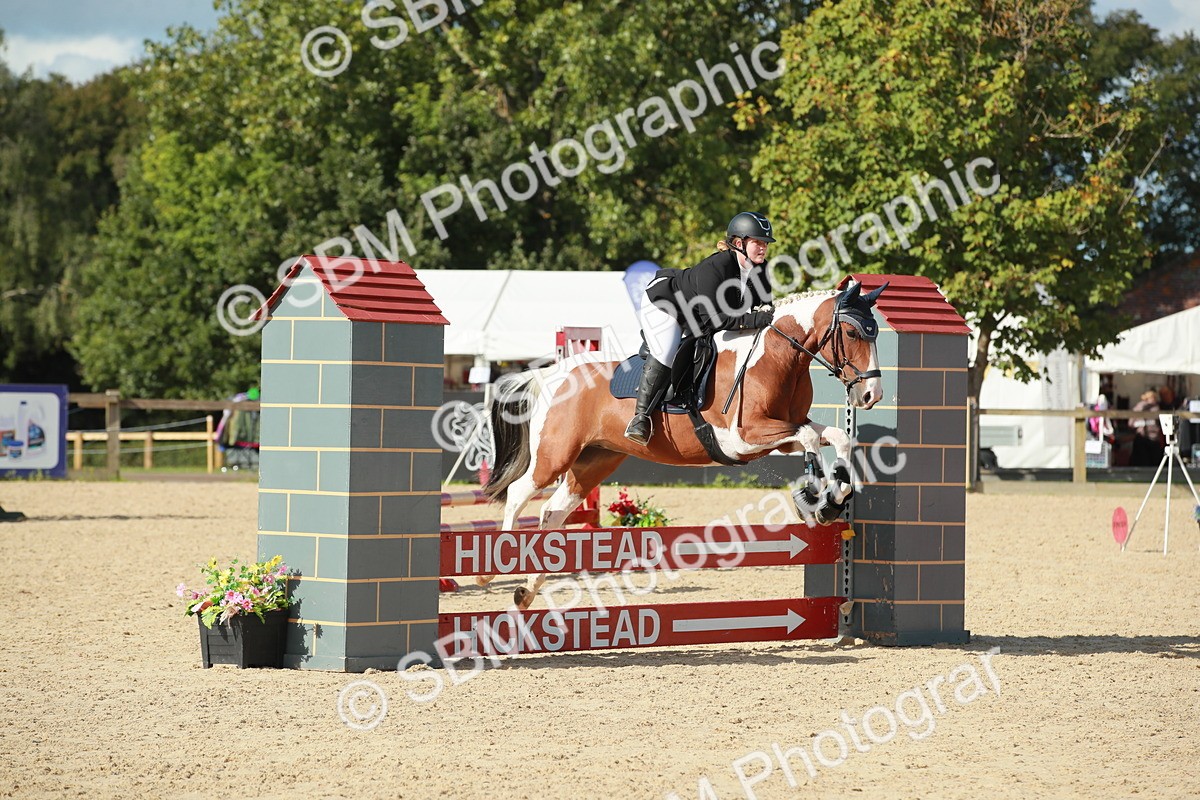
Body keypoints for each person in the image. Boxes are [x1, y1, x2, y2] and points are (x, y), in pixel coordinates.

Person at [624, 212, 777, 445]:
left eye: (765, 243)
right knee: (666, 351)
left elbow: (765, 307)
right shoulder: (715, 267)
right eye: (758, 242)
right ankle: (640, 418)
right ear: (739, 244)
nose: (763, 248)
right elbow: (715, 321)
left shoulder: (760, 269)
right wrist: (756, 319)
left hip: (699, 316)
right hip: (667, 304)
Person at [1130, 389, 1163, 467]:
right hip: (1147, 438)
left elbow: (1131, 424)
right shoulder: (1155, 408)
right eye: (1153, 398)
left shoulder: (1137, 407)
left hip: (1146, 438)